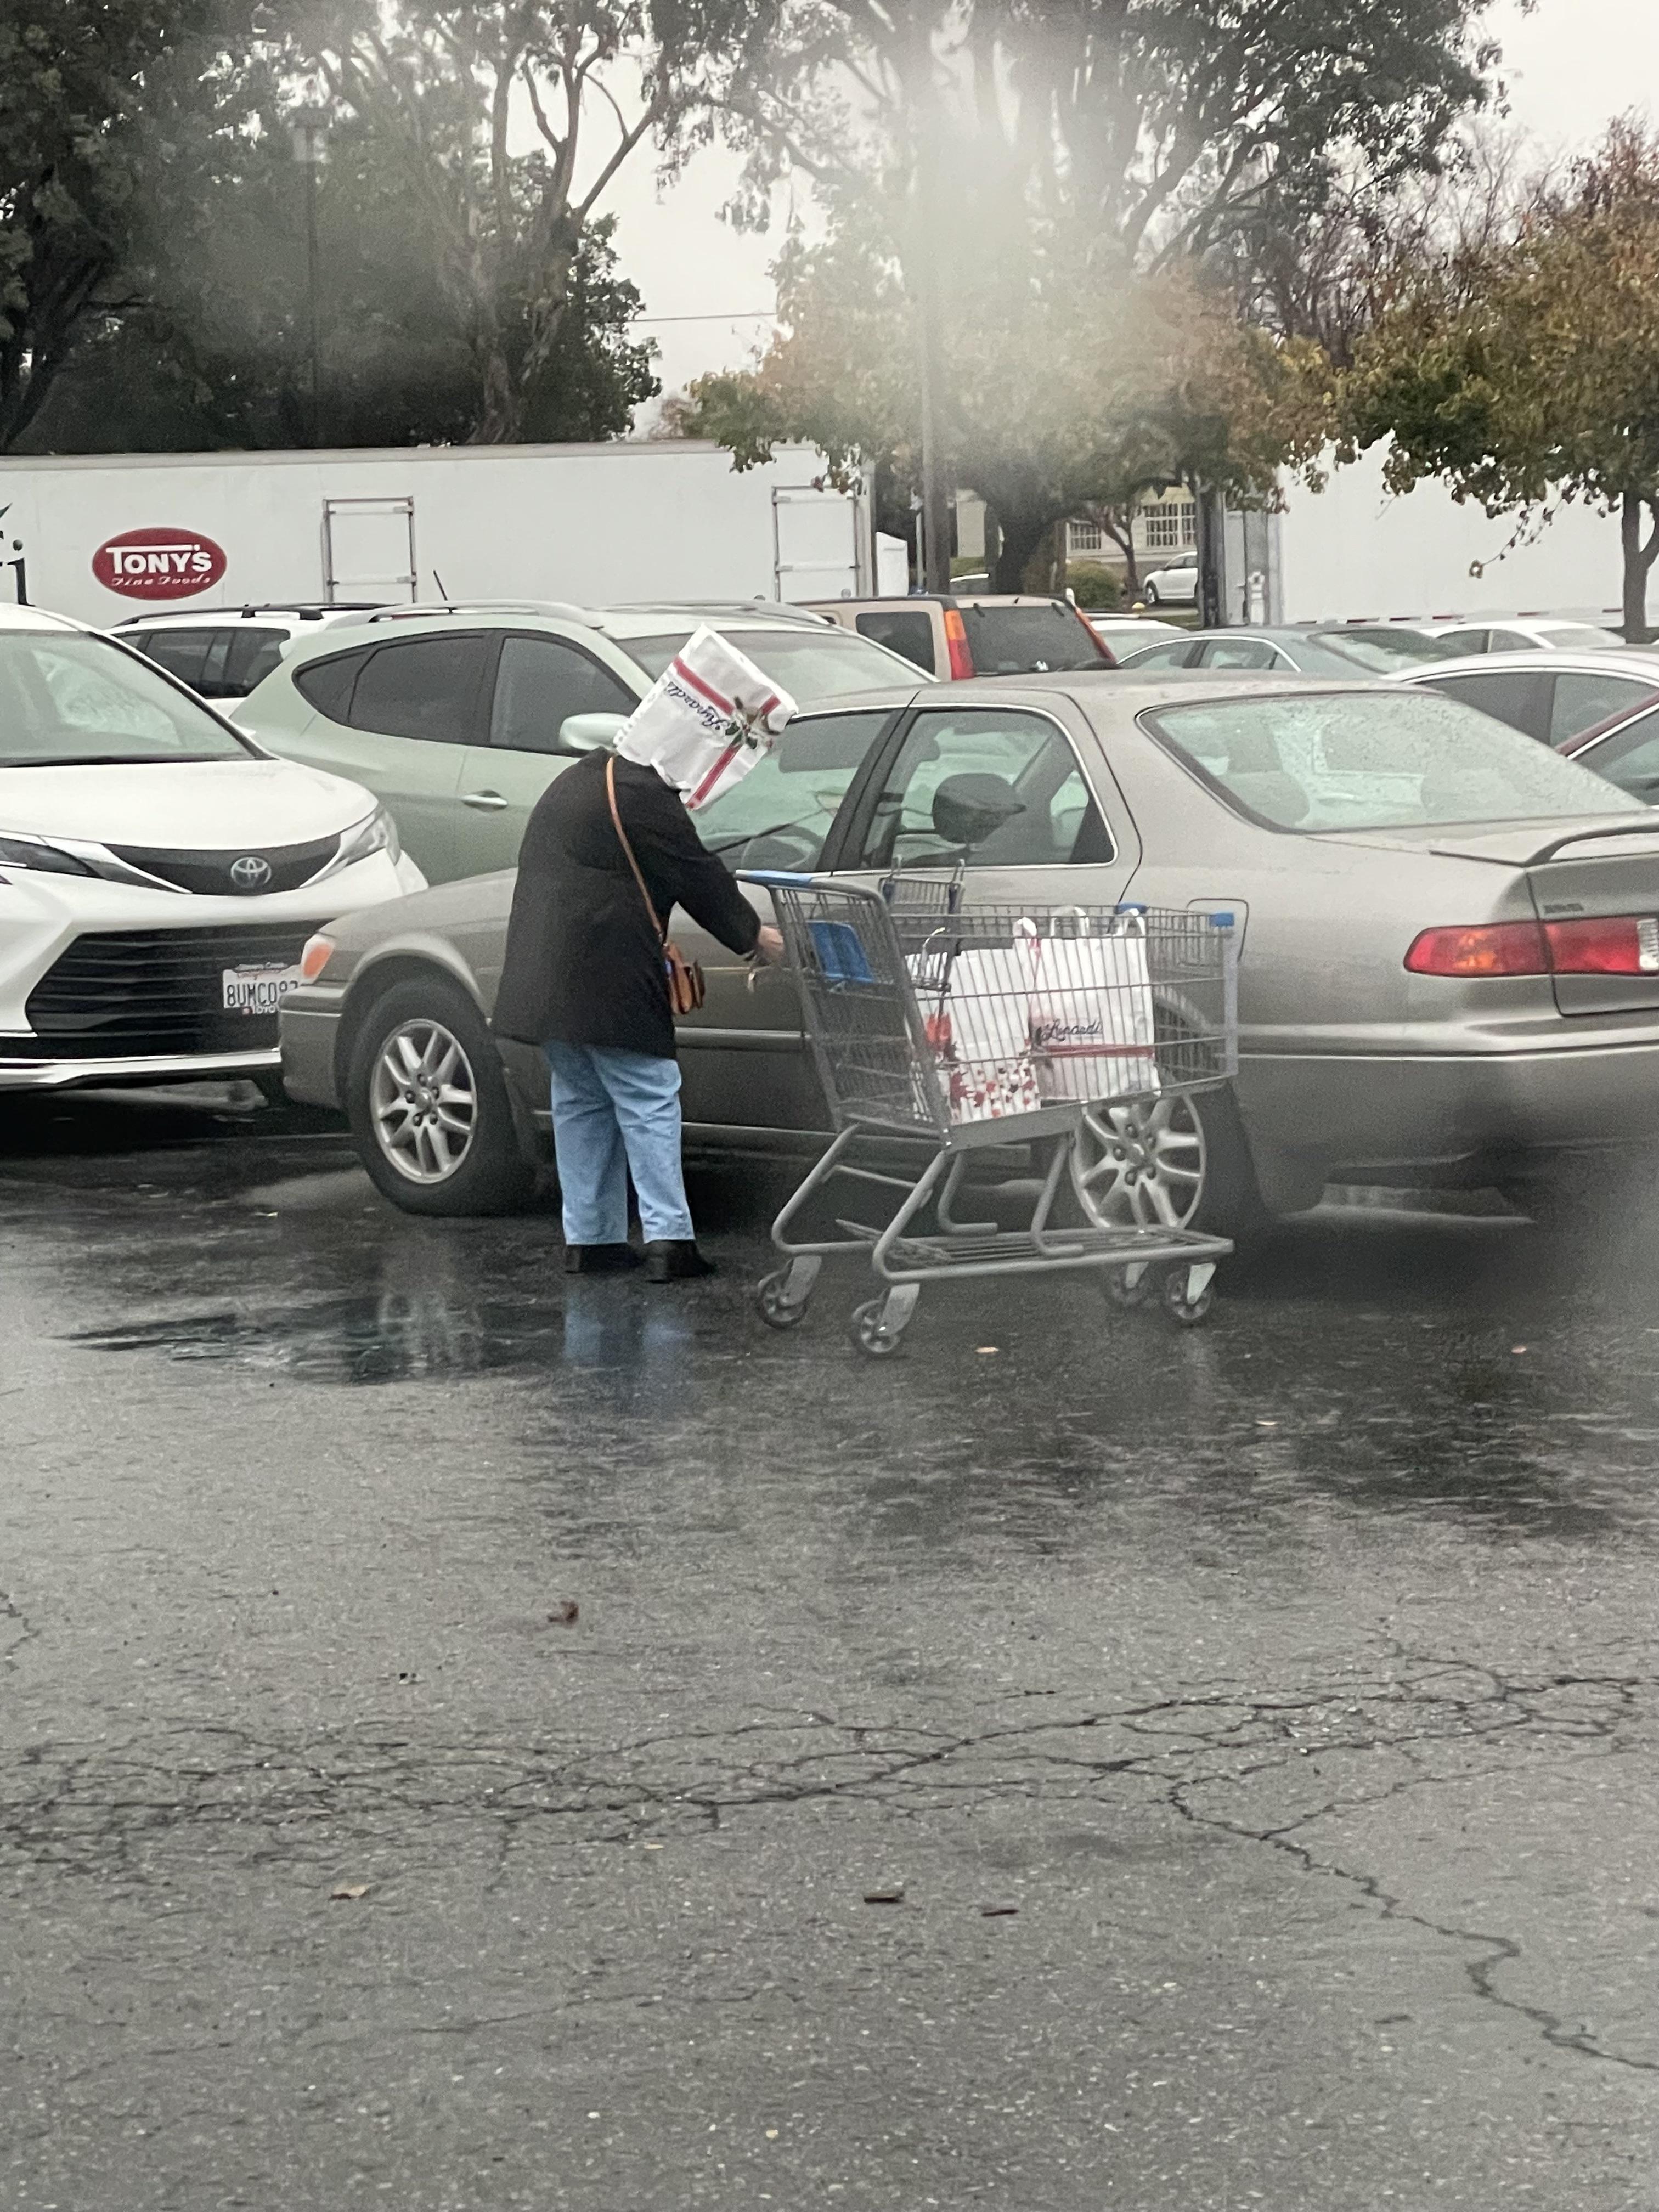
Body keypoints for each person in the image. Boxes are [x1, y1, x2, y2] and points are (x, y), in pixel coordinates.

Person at [493, 740, 784, 1282]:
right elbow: (696, 872)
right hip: (610, 972)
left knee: (581, 1101)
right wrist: (753, 936)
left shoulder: (581, 779)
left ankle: (591, 1240)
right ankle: (670, 1240)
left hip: (547, 975)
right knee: (649, 1094)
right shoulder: (640, 792)